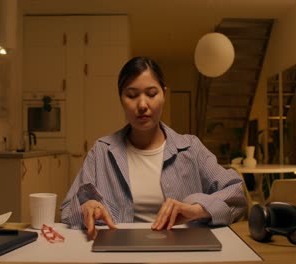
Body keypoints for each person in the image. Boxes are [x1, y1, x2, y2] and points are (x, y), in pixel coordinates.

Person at [60, 56, 247, 239]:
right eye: (131, 95)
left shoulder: (191, 148)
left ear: (164, 94)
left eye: (151, 94)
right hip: (119, 252)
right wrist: (86, 207)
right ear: (121, 99)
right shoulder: (101, 151)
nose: (142, 105)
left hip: (183, 253)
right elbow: (68, 210)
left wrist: (197, 209)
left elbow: (236, 194)